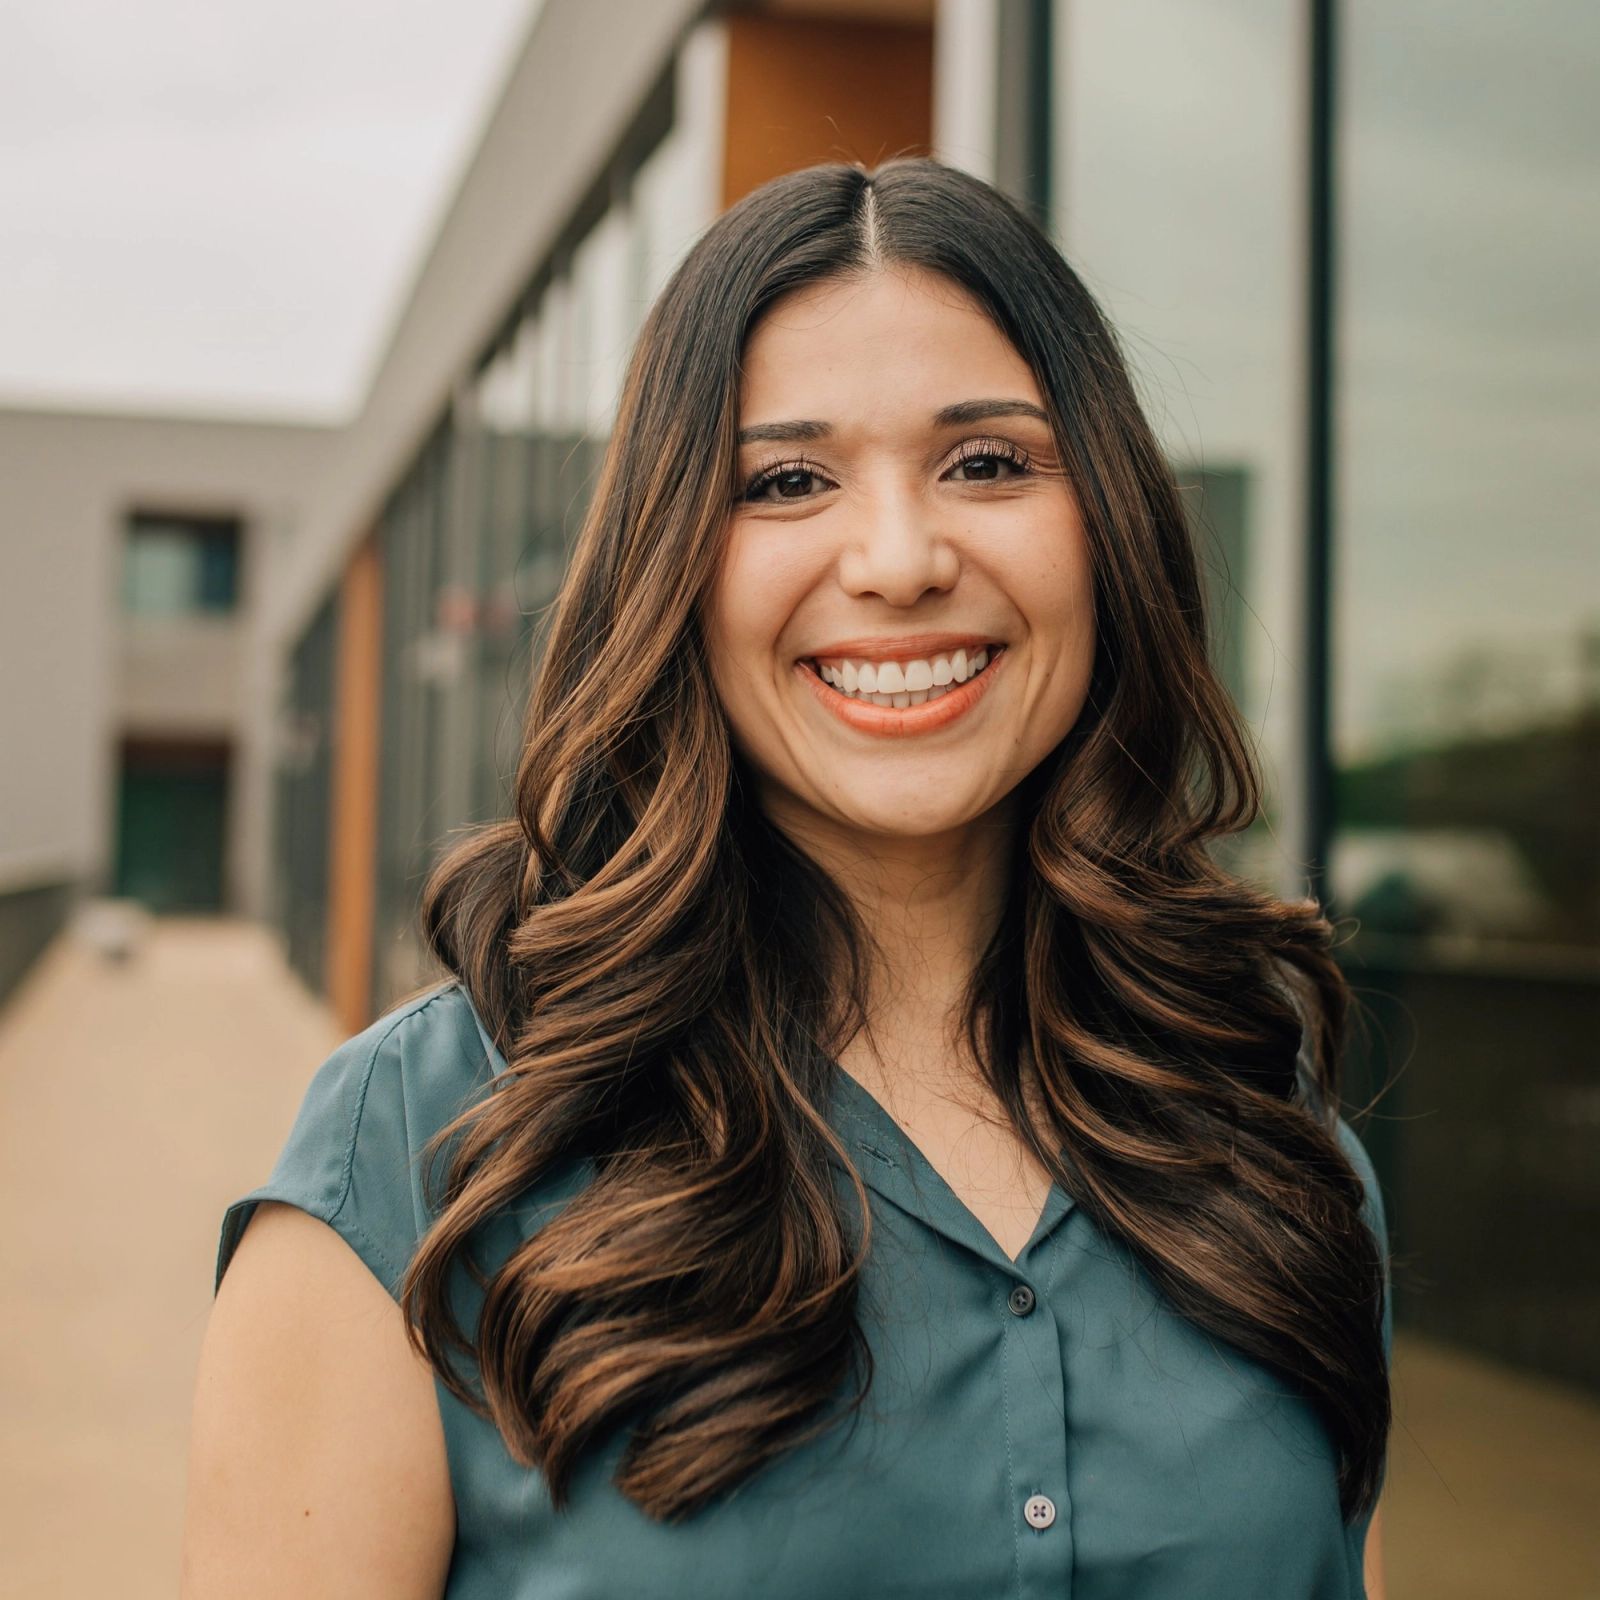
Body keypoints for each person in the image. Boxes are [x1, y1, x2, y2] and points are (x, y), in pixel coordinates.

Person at [181, 157, 1392, 1598]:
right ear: (671, 568)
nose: (897, 559)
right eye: (788, 481)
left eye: (988, 462)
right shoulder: (421, 1153)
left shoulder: (1263, 1118)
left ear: (1109, 526)